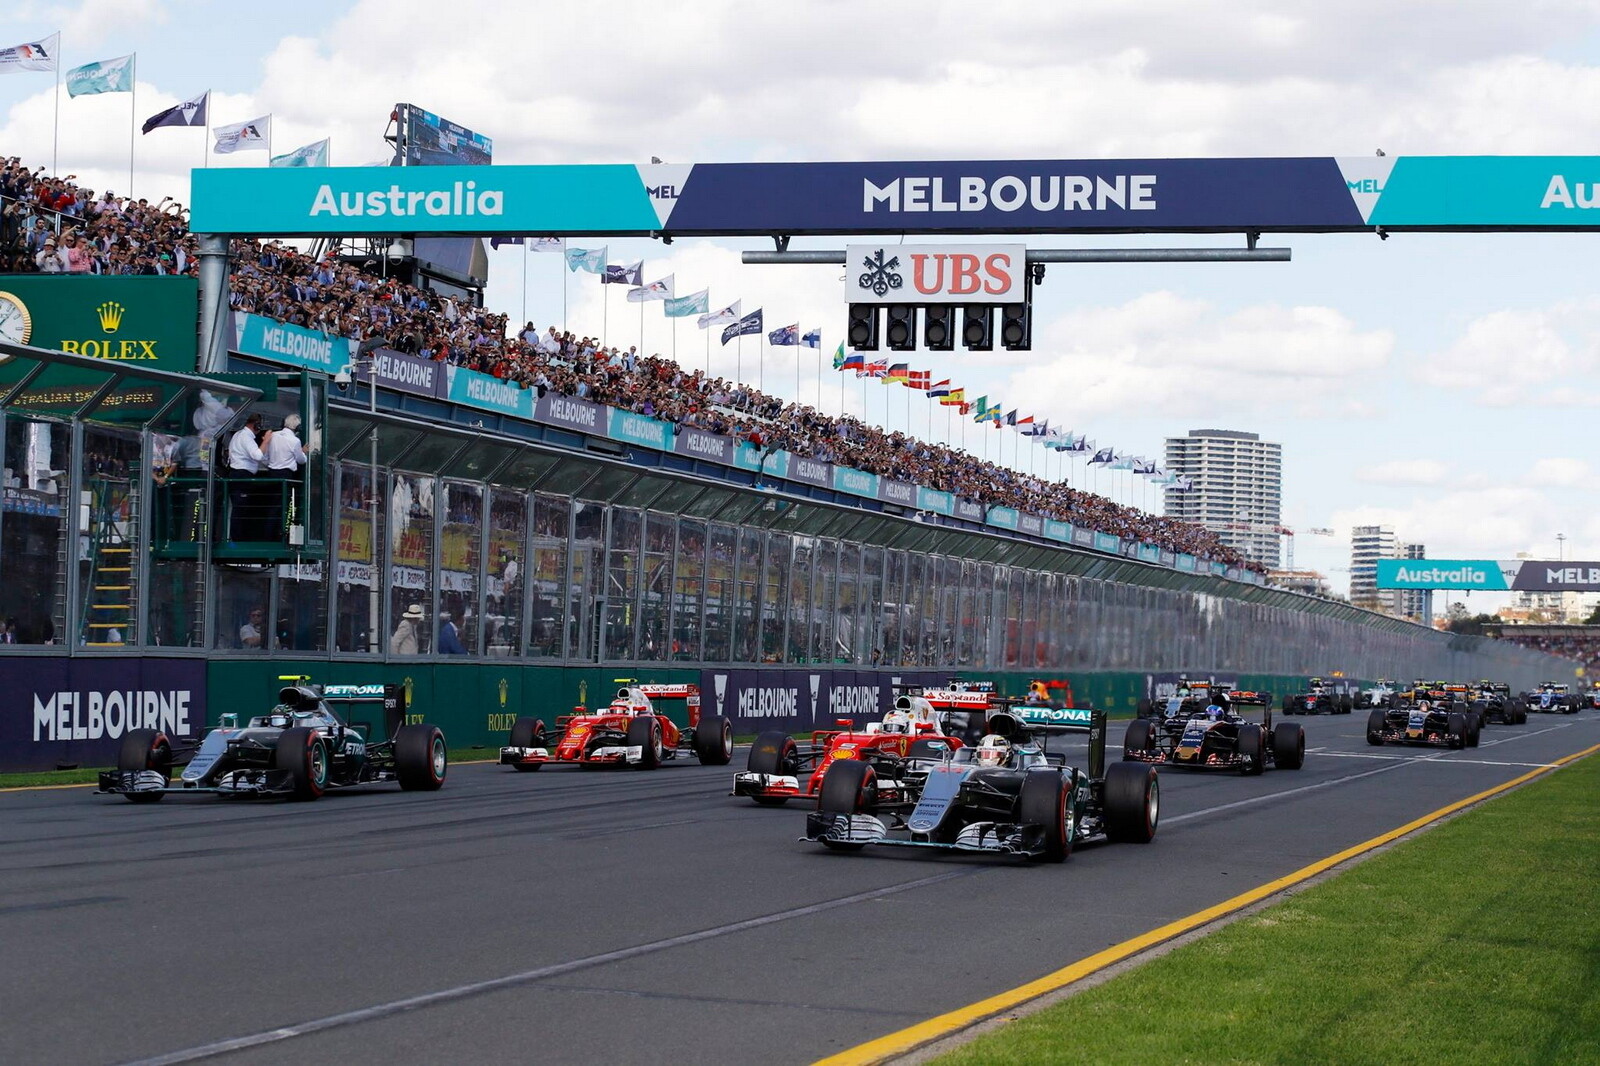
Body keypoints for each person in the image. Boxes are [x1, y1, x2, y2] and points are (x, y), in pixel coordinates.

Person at [227, 413, 271, 541]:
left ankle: (238, 537)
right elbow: (257, 455)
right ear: (256, 424)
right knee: (240, 508)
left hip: (237, 473)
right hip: (242, 475)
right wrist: (266, 441)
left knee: (240, 507)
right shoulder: (246, 438)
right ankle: (237, 538)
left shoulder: (237, 435)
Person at [265, 413, 307, 478]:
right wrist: (303, 452)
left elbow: (265, 456)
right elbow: (301, 460)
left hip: (271, 473)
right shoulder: (295, 441)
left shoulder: (272, 435)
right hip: (286, 474)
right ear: (297, 427)